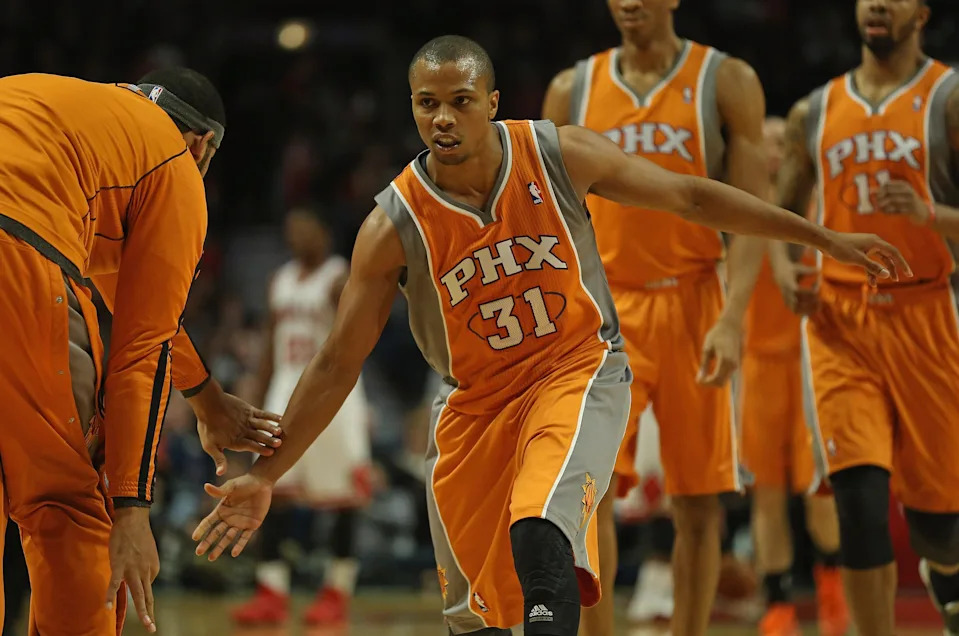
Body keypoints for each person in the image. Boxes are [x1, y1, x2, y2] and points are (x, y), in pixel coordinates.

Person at [193, 35, 906, 636]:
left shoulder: (558, 153)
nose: (442, 118)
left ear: (493, 104)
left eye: (459, 102)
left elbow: (689, 196)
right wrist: (265, 475)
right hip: (473, 406)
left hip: (576, 370)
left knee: (540, 528)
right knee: (474, 616)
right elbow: (336, 361)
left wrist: (819, 236)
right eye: (426, 103)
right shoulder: (393, 224)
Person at [0, 68, 281, 636]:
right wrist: (130, 508)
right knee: (64, 502)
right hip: (15, 257)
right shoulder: (174, 163)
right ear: (202, 146)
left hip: (23, 232)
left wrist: (204, 399)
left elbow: (129, 301)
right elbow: (143, 347)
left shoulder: (75, 119)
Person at [541, 0, 770, 632]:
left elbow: (750, 210)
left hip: (696, 298)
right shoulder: (573, 87)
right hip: (604, 310)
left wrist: (733, 317)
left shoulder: (725, 80)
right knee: (592, 496)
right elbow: (545, 215)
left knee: (697, 503)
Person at [771, 0, 959, 633]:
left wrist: (931, 215)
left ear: (923, 12)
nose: (876, 3)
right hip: (841, 321)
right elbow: (780, 216)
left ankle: (947, 572)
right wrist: (785, 269)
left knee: (940, 531)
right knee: (858, 503)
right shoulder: (813, 111)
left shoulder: (949, 99)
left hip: (930, 314)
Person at [231, 204, 371, 626]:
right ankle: (271, 591)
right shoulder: (281, 280)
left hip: (333, 398)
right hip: (283, 393)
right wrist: (255, 398)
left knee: (343, 501)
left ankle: (336, 591)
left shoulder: (340, 278)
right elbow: (271, 347)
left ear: (324, 232)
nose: (296, 237)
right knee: (269, 491)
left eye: (304, 228)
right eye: (290, 230)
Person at [740, 117, 847, 636]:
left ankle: (832, 588)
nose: (775, 152)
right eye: (765, 144)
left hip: (811, 359)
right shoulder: (734, 207)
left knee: (819, 489)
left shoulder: (817, 208)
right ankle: (778, 603)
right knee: (766, 493)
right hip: (757, 365)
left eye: (783, 143)